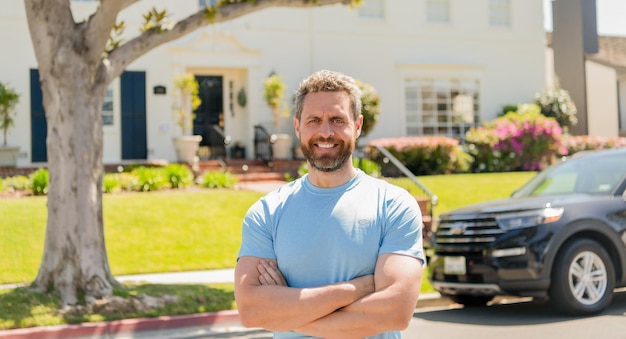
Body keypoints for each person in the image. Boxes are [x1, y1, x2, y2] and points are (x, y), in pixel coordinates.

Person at [234, 70, 424, 339]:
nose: (325, 132)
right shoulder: (267, 212)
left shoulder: (394, 205)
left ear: (357, 126)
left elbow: (394, 312)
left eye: (337, 120)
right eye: (314, 120)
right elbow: (252, 311)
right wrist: (356, 289)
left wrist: (287, 315)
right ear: (298, 126)